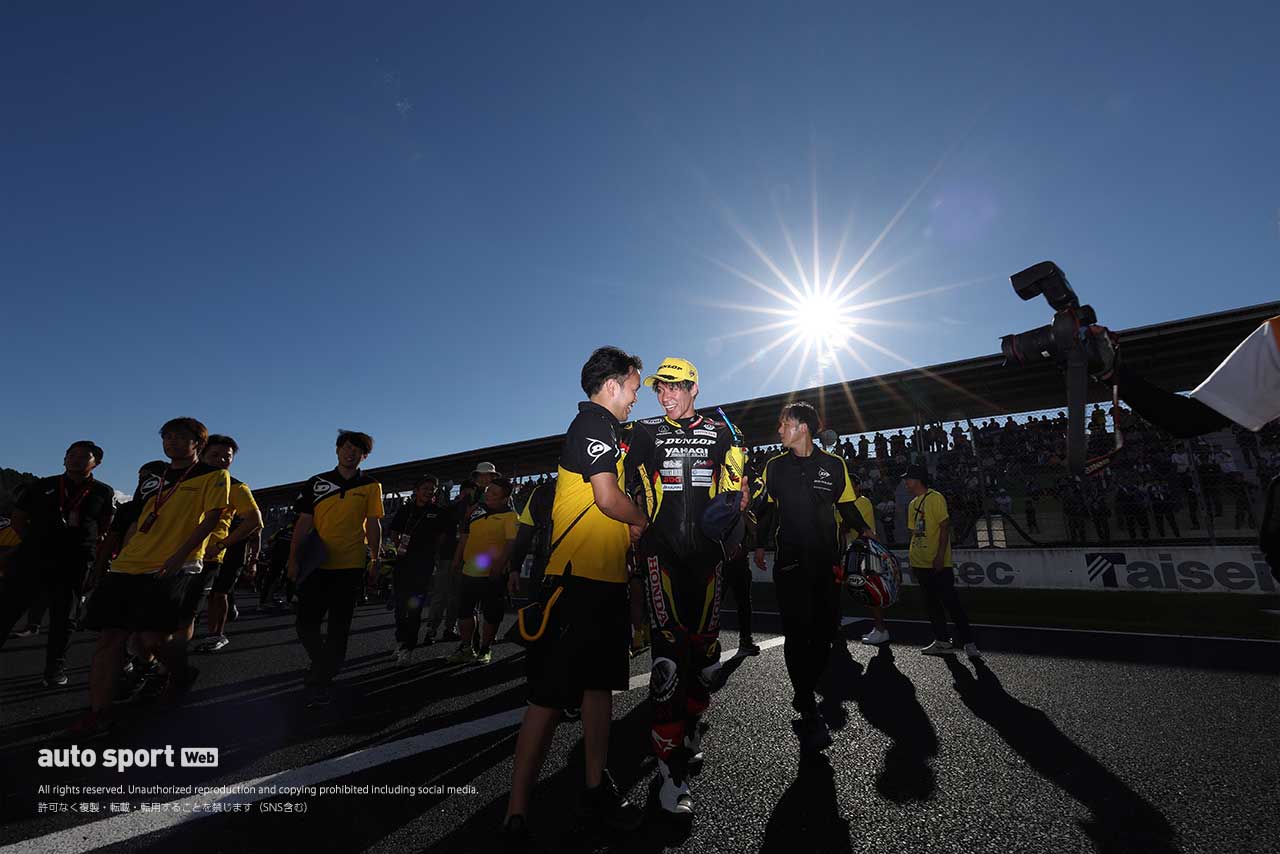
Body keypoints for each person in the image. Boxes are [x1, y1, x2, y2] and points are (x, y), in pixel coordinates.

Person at [503, 346, 647, 850]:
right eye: (632, 387)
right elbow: (608, 499)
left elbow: (600, 508)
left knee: (598, 692)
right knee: (546, 699)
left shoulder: (611, 433)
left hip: (602, 583)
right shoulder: (594, 424)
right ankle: (517, 809)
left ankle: (593, 789)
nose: (635, 398)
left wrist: (624, 536)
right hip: (574, 585)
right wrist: (640, 521)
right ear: (611, 386)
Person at [623, 356, 748, 817]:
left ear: (694, 387)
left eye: (674, 387)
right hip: (662, 558)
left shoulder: (722, 432)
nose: (665, 395)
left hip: (709, 562)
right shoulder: (644, 433)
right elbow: (619, 484)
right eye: (660, 388)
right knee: (667, 662)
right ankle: (668, 775)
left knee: (704, 654)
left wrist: (738, 509)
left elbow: (739, 486)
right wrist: (633, 528)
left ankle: (693, 723)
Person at [73, 418, 230, 736]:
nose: (171, 441)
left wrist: (180, 556)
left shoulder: (213, 476)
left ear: (197, 443)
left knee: (151, 638)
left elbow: (211, 519)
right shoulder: (153, 478)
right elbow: (133, 521)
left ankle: (180, 672)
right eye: (167, 436)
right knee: (109, 639)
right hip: (128, 565)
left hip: (174, 566)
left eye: (179, 437)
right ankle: (99, 714)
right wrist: (106, 563)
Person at [752, 402, 871, 756]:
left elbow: (846, 505)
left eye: (784, 424)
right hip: (789, 563)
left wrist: (865, 530)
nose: (779, 430)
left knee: (823, 634)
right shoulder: (774, 467)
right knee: (797, 632)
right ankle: (806, 701)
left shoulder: (834, 465)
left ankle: (806, 687)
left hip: (826, 563)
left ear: (802, 427)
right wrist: (758, 543)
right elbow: (765, 510)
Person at [0, 441, 116, 687]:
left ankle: (54, 667)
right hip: (34, 559)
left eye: (84, 456)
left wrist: (96, 565)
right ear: (64, 459)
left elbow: (104, 528)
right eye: (71, 455)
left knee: (64, 619)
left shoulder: (103, 492)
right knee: (8, 610)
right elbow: (18, 520)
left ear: (97, 462)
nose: (75, 459)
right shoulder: (42, 486)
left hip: (74, 563)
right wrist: (34, 542)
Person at [287, 430, 384, 708]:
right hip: (316, 563)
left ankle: (321, 681)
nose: (350, 452)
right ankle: (324, 665)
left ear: (364, 456)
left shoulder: (371, 485)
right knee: (305, 624)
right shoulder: (316, 483)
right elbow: (304, 523)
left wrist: (375, 559)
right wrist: (293, 558)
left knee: (340, 627)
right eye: (345, 447)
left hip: (351, 565)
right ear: (337, 450)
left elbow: (374, 524)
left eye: (357, 449)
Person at [192, 436, 263, 653]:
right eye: (215, 455)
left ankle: (216, 634)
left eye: (227, 457)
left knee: (218, 593)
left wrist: (222, 545)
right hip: (181, 552)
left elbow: (255, 523)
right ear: (201, 454)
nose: (222, 460)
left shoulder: (237, 487)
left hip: (216, 554)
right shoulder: (185, 483)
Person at [902, 464, 978, 658]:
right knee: (932, 605)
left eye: (908, 479)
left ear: (917, 480)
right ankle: (942, 641)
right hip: (920, 562)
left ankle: (969, 643)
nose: (905, 482)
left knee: (952, 604)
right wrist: (913, 559)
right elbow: (915, 533)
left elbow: (944, 527)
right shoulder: (912, 504)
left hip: (937, 563)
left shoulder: (935, 498)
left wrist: (940, 555)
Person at [447, 479, 518, 665]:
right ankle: (466, 647)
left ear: (505, 498)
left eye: (494, 494)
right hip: (469, 571)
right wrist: (456, 560)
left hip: (493, 574)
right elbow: (464, 537)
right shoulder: (475, 511)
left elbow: (511, 544)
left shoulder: (511, 516)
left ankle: (485, 649)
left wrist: (499, 565)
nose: (488, 495)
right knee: (464, 611)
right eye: (488, 491)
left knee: (491, 614)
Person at [387, 475, 450, 665]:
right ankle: (400, 641)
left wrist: (430, 551)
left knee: (414, 607)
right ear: (416, 490)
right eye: (425, 488)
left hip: (423, 564)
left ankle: (408, 648)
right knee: (399, 606)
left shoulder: (438, 512)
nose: (429, 492)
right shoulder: (405, 509)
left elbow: (442, 536)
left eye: (432, 489)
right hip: (402, 562)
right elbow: (394, 530)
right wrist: (398, 545)